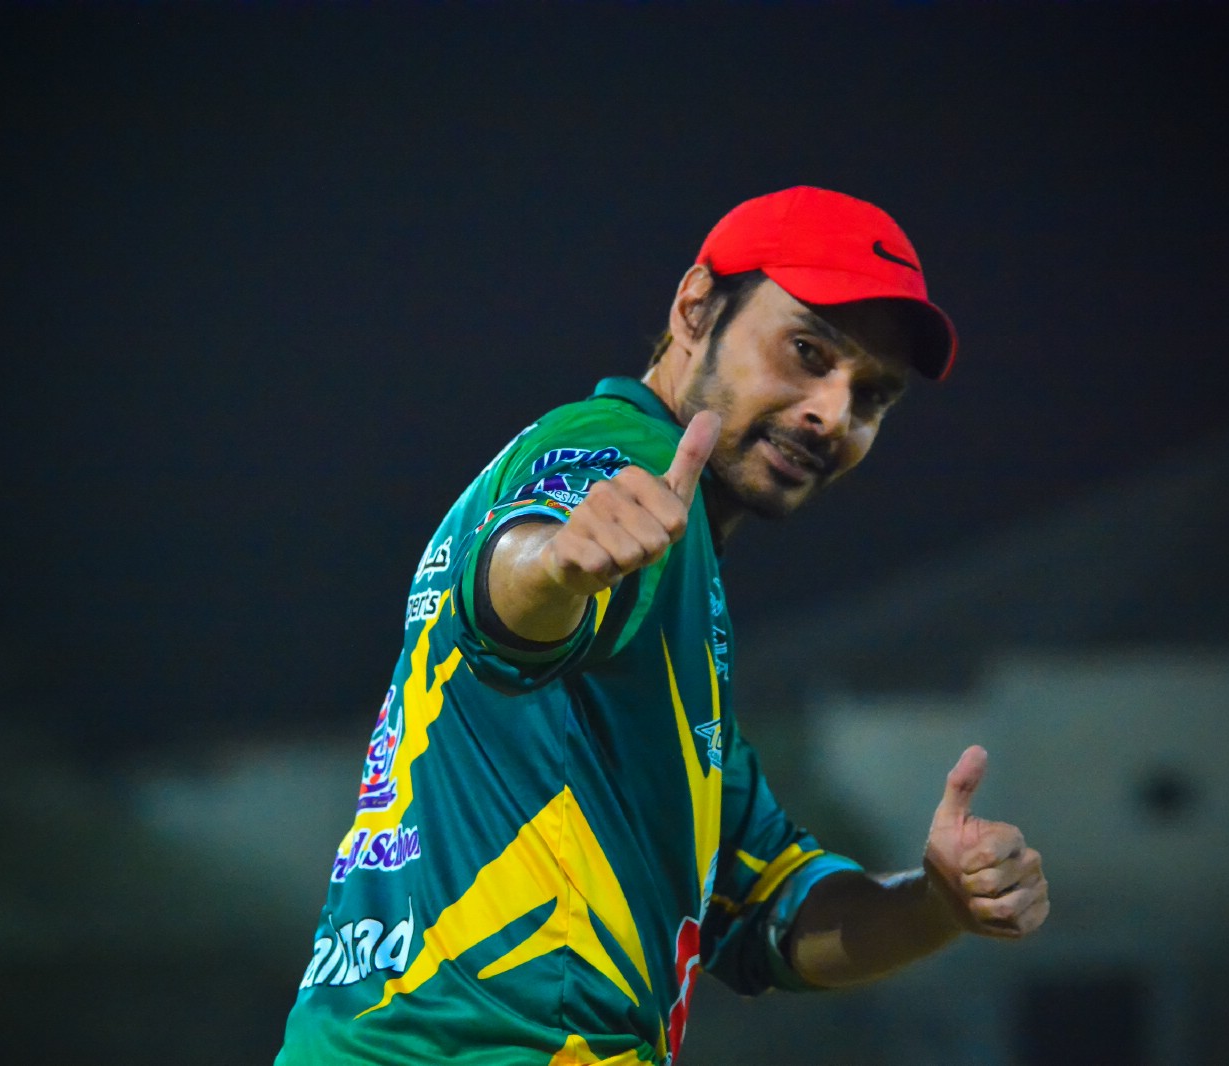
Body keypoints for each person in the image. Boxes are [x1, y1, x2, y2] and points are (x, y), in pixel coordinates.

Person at [274, 186, 1049, 1066]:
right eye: (806, 351)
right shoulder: (622, 453)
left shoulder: (674, 622)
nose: (831, 414)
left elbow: (773, 915)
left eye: (870, 396)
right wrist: (555, 566)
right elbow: (513, 606)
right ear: (694, 309)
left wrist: (937, 904)